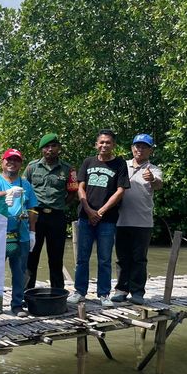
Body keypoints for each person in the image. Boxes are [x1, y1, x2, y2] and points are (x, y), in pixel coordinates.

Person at [69, 129, 130, 307]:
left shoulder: (119, 164)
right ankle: (80, 292)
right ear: (96, 144)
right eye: (101, 142)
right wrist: (88, 210)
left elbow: (120, 191)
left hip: (108, 219)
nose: (104, 145)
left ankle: (103, 294)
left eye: (108, 142)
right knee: (82, 257)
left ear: (114, 145)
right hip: (85, 217)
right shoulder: (88, 162)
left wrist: (101, 211)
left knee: (104, 259)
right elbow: (80, 186)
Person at [112, 134, 162, 305]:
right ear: (132, 148)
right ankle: (121, 290)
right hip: (121, 220)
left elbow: (158, 184)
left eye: (144, 147)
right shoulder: (122, 165)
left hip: (143, 222)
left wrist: (152, 179)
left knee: (139, 258)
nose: (139, 149)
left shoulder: (153, 169)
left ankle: (138, 292)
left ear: (150, 150)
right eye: (137, 146)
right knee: (122, 258)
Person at [23, 133, 78, 289]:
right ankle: (27, 292)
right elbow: (24, 189)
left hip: (57, 217)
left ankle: (57, 293)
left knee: (56, 258)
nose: (50, 149)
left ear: (59, 148)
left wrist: (60, 205)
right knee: (31, 256)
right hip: (35, 217)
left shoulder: (68, 169)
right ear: (42, 149)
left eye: (54, 146)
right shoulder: (31, 167)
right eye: (47, 146)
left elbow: (73, 191)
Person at [0, 149, 38, 317]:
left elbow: (32, 209)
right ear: (2, 161)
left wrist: (33, 232)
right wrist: (6, 193)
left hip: (21, 235)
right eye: (8, 159)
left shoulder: (25, 183)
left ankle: (17, 304)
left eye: (16, 160)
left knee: (19, 272)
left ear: (21, 163)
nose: (12, 163)